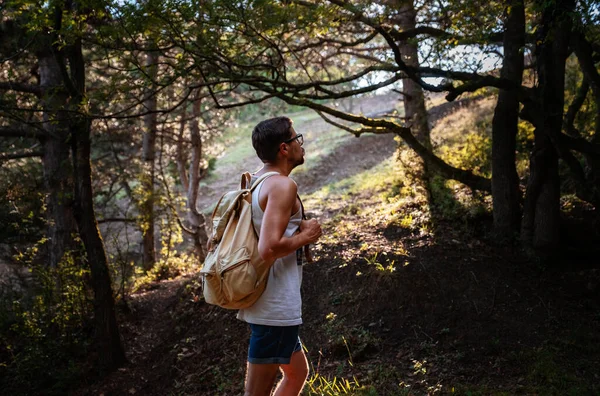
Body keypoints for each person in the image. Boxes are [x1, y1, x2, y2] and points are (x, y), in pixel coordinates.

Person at [238, 116, 322, 396]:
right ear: (284, 149)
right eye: (297, 139)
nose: (301, 145)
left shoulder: (257, 181)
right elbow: (268, 248)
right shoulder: (282, 186)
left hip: (267, 303)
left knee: (298, 373)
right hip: (275, 308)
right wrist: (306, 236)